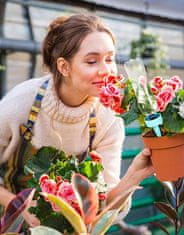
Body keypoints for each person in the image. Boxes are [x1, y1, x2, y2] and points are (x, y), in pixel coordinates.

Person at [0, 14, 154, 227]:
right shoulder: (21, 103)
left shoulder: (108, 118)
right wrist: (19, 208)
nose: (106, 70)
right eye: (92, 61)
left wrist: (134, 176)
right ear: (64, 67)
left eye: (110, 59)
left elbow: (104, 208)